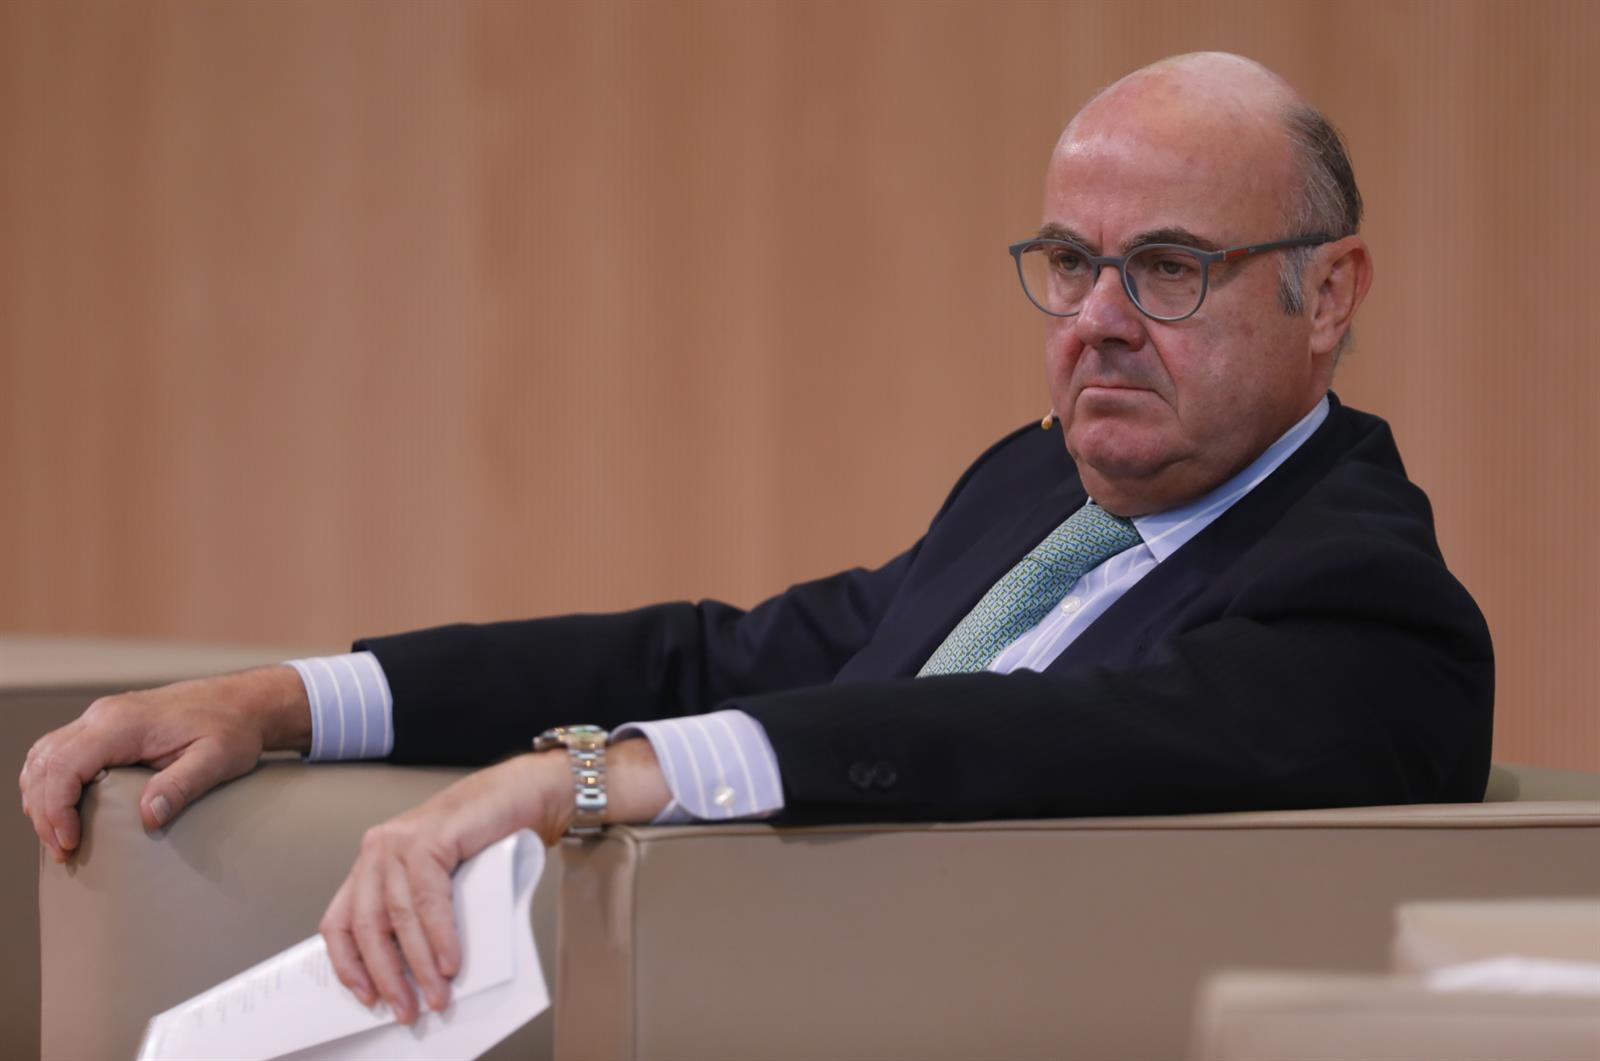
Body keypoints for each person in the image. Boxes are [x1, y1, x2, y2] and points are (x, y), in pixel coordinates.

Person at [19, 52, 1492, 1026]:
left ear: (1330, 293)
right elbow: (724, 655)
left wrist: (594, 776)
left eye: (1166, 267)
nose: (1096, 321)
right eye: (1067, 262)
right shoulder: (1037, 488)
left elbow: (1021, 733)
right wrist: (288, 697)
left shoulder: (1366, 605)